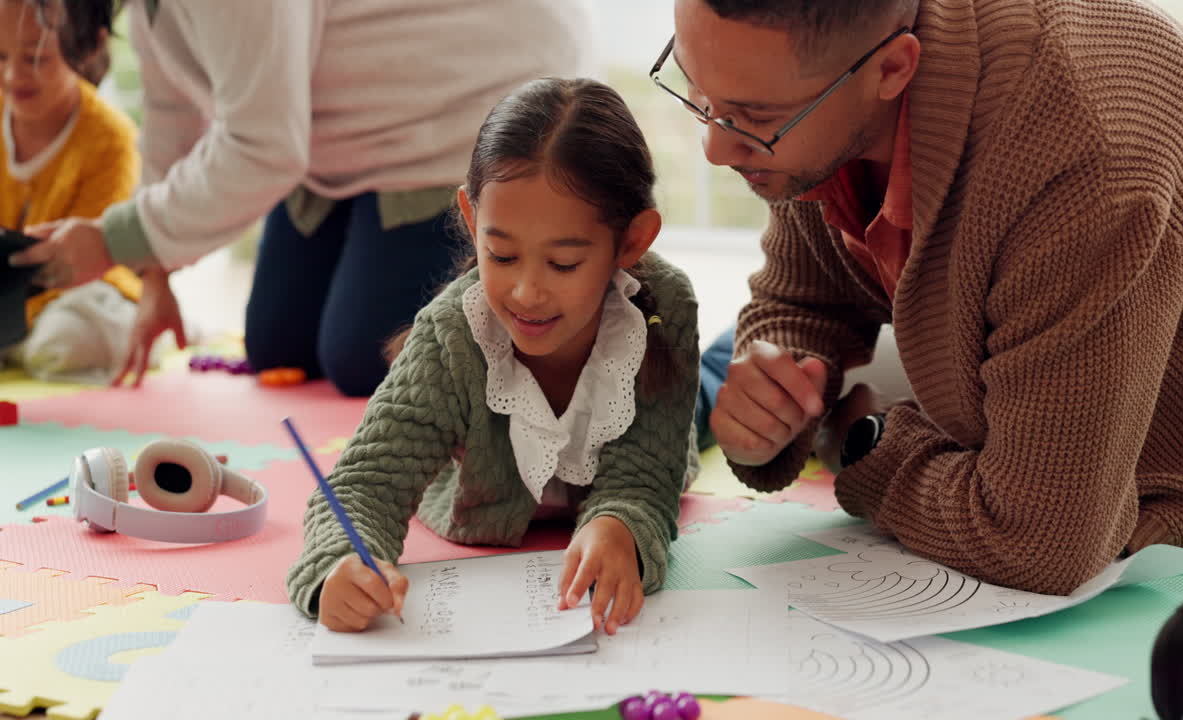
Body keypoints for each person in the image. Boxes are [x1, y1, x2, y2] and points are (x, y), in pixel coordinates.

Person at [661, 0, 1183, 594]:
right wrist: (772, 397)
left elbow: (1040, 542)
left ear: (892, 69)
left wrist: (862, 441)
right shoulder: (825, 83)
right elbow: (803, 299)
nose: (714, 149)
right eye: (697, 90)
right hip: (1065, 313)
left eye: (756, 116)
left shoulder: (1084, 160)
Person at [286, 78, 701, 635]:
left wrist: (620, 526)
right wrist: (340, 564)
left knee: (702, 408)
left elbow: (646, 476)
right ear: (470, 217)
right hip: (464, 474)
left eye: (564, 264)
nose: (527, 293)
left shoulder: (663, 308)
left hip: (672, 422)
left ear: (631, 241)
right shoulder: (452, 334)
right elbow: (363, 484)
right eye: (502, 255)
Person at [8, 0, 590, 395]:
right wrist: (154, 272)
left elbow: (261, 148)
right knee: (278, 348)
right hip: (336, 140)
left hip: (447, 118)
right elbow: (173, 113)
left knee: (362, 357)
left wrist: (112, 242)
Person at [0, 0, 142, 383]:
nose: (13, 75)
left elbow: (88, 259)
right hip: (6, 295)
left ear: (87, 46)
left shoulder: (111, 140)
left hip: (75, 293)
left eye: (36, 58)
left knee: (67, 338)